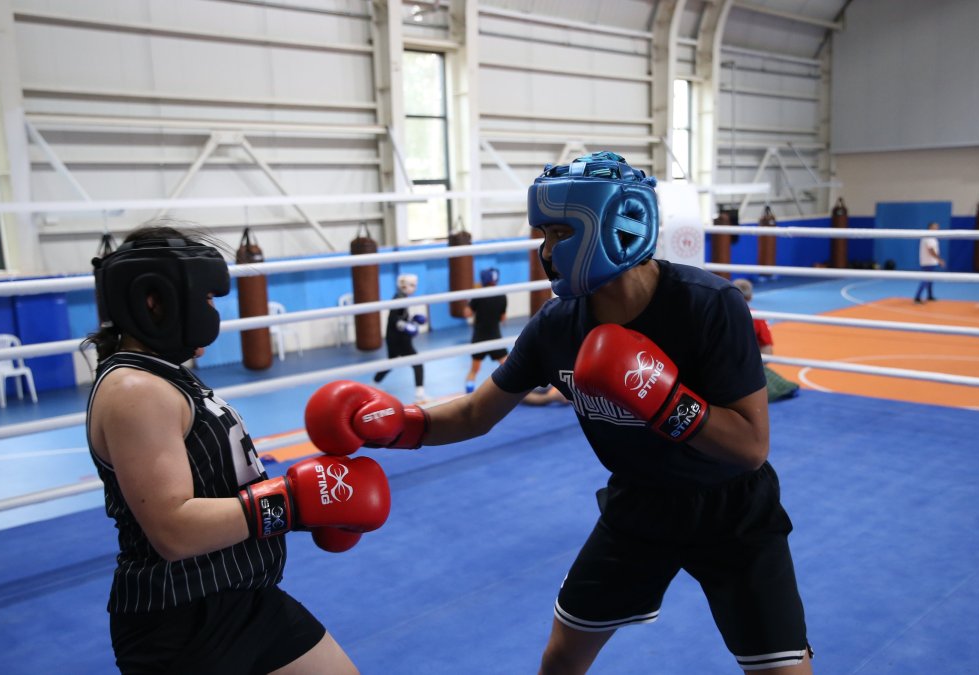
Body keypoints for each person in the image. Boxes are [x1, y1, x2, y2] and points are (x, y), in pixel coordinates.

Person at [305, 152, 813, 674]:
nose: (546, 252)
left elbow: (751, 448)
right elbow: (478, 412)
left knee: (782, 669)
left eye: (560, 234)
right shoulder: (557, 326)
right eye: (541, 235)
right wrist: (400, 426)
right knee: (563, 656)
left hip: (733, 512)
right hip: (638, 507)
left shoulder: (709, 304)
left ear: (617, 227)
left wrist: (663, 399)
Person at [85, 223, 391, 674]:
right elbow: (174, 531)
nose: (213, 311)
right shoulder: (135, 389)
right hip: (181, 621)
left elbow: (217, 487)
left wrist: (305, 511)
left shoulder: (166, 374)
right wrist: (295, 501)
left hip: (241, 593)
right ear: (154, 299)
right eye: (206, 299)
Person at [733, 278, 800, 402]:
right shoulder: (757, 317)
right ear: (751, 297)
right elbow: (767, 352)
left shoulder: (715, 312)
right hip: (745, 367)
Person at [373, 273, 428, 402]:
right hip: (399, 339)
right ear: (405, 286)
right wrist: (406, 326)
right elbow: (394, 319)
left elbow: (399, 317)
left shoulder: (401, 297)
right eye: (413, 285)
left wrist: (412, 320)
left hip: (393, 338)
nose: (414, 288)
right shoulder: (399, 298)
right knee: (417, 363)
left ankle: (373, 383)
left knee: (391, 362)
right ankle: (420, 394)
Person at [463, 267, 508, 394]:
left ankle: (469, 394)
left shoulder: (479, 295)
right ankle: (517, 390)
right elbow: (503, 318)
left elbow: (467, 314)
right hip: (495, 337)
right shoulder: (501, 295)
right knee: (509, 366)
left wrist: (468, 302)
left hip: (479, 338)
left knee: (474, 370)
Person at [913, 222, 944, 304]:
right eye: (935, 227)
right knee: (926, 280)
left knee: (930, 280)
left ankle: (930, 296)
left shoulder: (932, 237)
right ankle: (917, 297)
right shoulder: (928, 237)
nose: (937, 229)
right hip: (928, 262)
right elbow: (931, 250)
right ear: (930, 227)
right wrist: (939, 260)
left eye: (937, 227)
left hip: (931, 262)